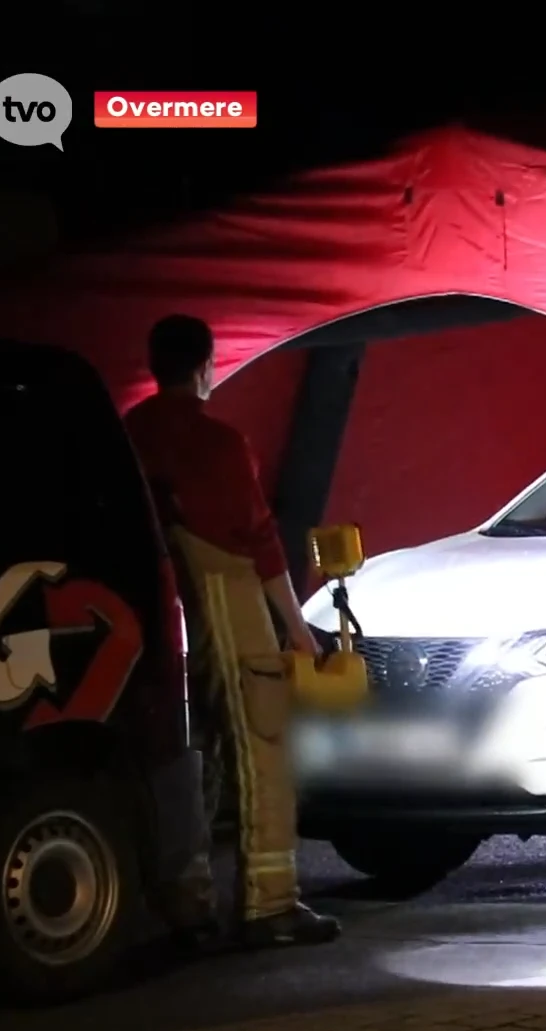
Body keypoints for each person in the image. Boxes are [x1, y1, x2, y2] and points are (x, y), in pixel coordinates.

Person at [122, 314, 340, 949]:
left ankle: (186, 903)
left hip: (165, 619)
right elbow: (260, 542)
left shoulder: (133, 434)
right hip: (230, 601)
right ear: (204, 367)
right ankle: (270, 903)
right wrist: (299, 632)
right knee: (262, 746)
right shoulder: (215, 443)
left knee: (193, 758)